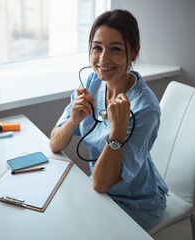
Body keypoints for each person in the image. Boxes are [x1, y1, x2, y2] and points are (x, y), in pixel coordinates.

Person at [49, 9, 168, 231]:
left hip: (136, 203)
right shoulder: (93, 81)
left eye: (115, 49)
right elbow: (54, 143)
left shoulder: (146, 109)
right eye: (97, 48)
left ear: (133, 52)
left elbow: (101, 183)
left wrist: (118, 132)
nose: (103, 59)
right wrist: (73, 121)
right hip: (99, 193)